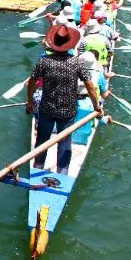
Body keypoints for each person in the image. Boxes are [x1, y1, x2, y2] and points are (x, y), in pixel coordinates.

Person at [25, 23, 102, 175]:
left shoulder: (44, 61)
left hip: (47, 108)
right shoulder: (77, 62)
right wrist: (97, 107)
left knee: (42, 139)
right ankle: (63, 171)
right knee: (65, 141)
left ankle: (38, 165)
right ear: (69, 44)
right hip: (68, 110)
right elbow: (90, 87)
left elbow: (32, 82)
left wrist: (30, 101)